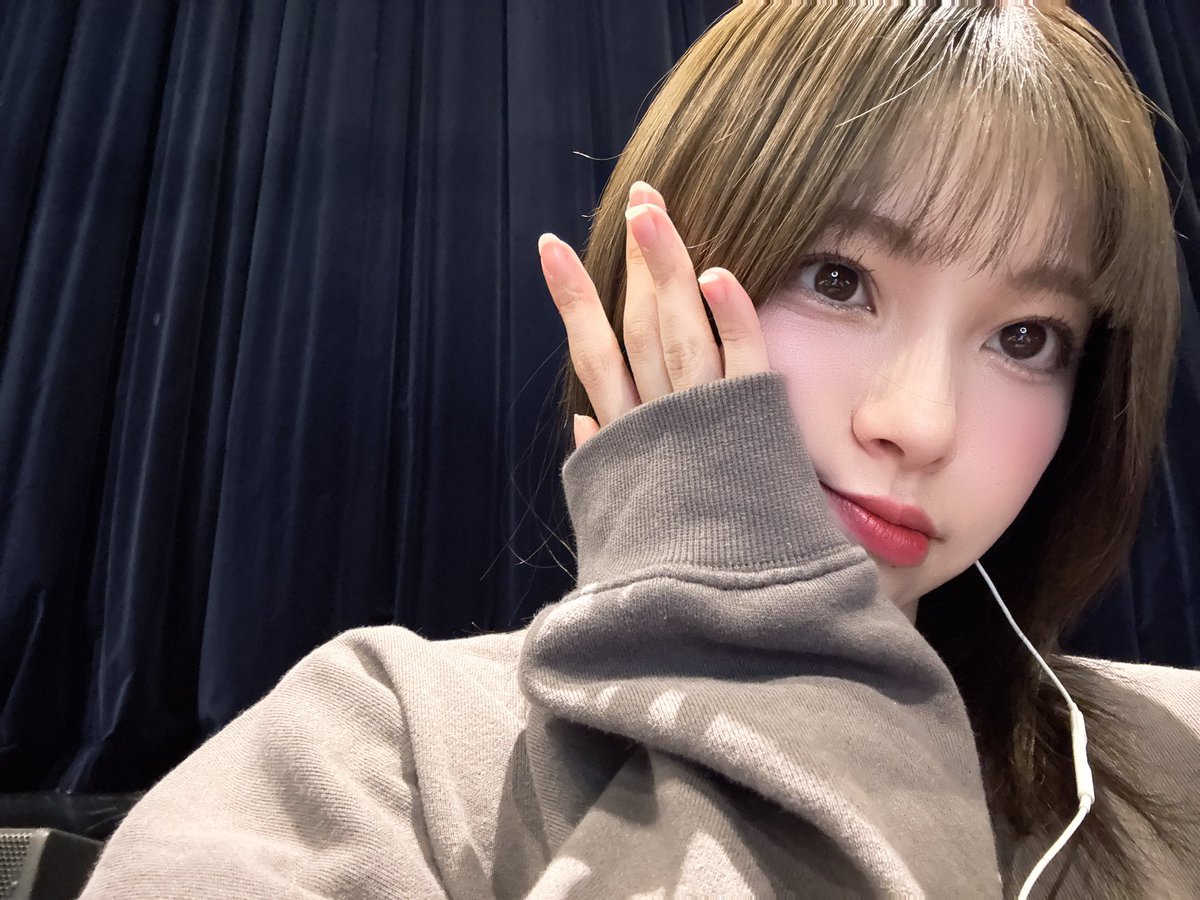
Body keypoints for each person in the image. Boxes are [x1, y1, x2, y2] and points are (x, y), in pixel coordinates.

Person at [81, 2, 1200, 897]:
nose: (920, 422)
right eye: (838, 279)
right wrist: (754, 642)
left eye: (1025, 339)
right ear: (651, 283)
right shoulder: (376, 755)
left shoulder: (1172, 759)